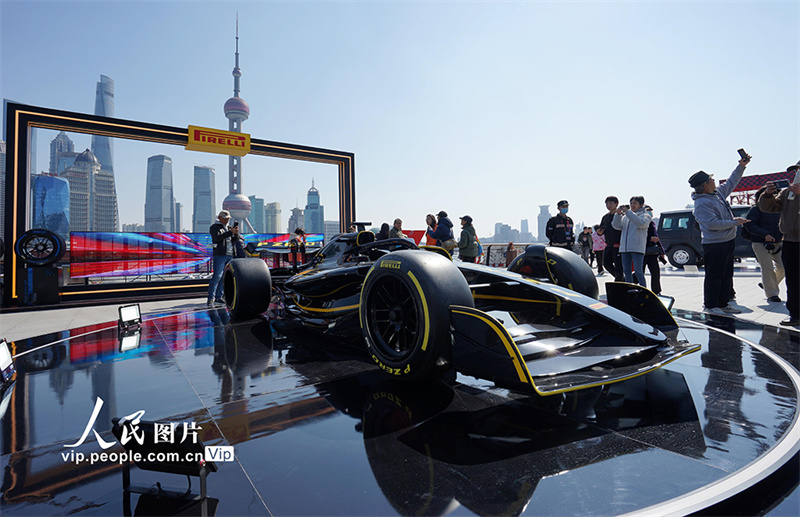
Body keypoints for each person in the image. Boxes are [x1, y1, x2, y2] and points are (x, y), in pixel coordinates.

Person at [689, 152, 751, 315]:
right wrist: (734, 222)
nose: (714, 181)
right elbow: (712, 224)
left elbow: (732, 181)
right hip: (715, 244)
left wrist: (741, 166)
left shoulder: (717, 194)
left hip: (727, 241)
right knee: (714, 276)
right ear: (705, 185)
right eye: (711, 179)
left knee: (726, 275)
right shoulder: (702, 204)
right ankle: (711, 306)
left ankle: (723, 304)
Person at [759, 164, 800, 326]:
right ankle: (795, 314)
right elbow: (769, 207)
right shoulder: (787, 192)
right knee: (793, 279)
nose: (796, 174)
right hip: (790, 241)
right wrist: (768, 194)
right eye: (796, 171)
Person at [745, 186, 784, 303]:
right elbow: (750, 225)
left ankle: (768, 284)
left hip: (778, 242)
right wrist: (765, 234)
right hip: (760, 242)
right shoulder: (755, 209)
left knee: (783, 267)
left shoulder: (779, 209)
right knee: (767, 268)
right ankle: (772, 294)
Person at [612, 196, 652, 288]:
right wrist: (617, 215)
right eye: (631, 203)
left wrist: (628, 212)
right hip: (625, 248)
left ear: (641, 205)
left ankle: (643, 288)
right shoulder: (626, 216)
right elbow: (616, 226)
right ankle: (629, 289)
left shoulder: (645, 215)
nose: (632, 205)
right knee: (626, 271)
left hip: (637, 247)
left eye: (635, 203)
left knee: (638, 271)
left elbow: (641, 223)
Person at [208, 210, 237, 307]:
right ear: (219, 218)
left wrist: (235, 233)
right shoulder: (214, 227)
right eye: (225, 219)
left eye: (228, 219)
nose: (226, 221)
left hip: (230, 254)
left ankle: (219, 296)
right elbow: (217, 238)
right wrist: (230, 232)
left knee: (224, 277)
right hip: (220, 254)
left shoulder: (228, 228)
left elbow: (234, 240)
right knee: (217, 276)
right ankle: (211, 298)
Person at [600, 196, 624, 281]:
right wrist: (600, 232)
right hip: (609, 244)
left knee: (618, 265)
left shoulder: (621, 216)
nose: (608, 205)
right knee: (606, 264)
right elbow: (601, 229)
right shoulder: (605, 217)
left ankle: (619, 280)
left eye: (610, 203)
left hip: (618, 244)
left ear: (616, 204)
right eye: (607, 203)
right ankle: (621, 278)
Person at [643, 210, 666, 295]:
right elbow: (637, 237)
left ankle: (656, 291)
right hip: (641, 251)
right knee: (640, 272)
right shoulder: (640, 223)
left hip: (652, 252)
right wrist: (650, 239)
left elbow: (657, 238)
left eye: (650, 213)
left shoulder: (652, 224)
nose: (650, 214)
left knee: (655, 272)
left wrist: (661, 251)